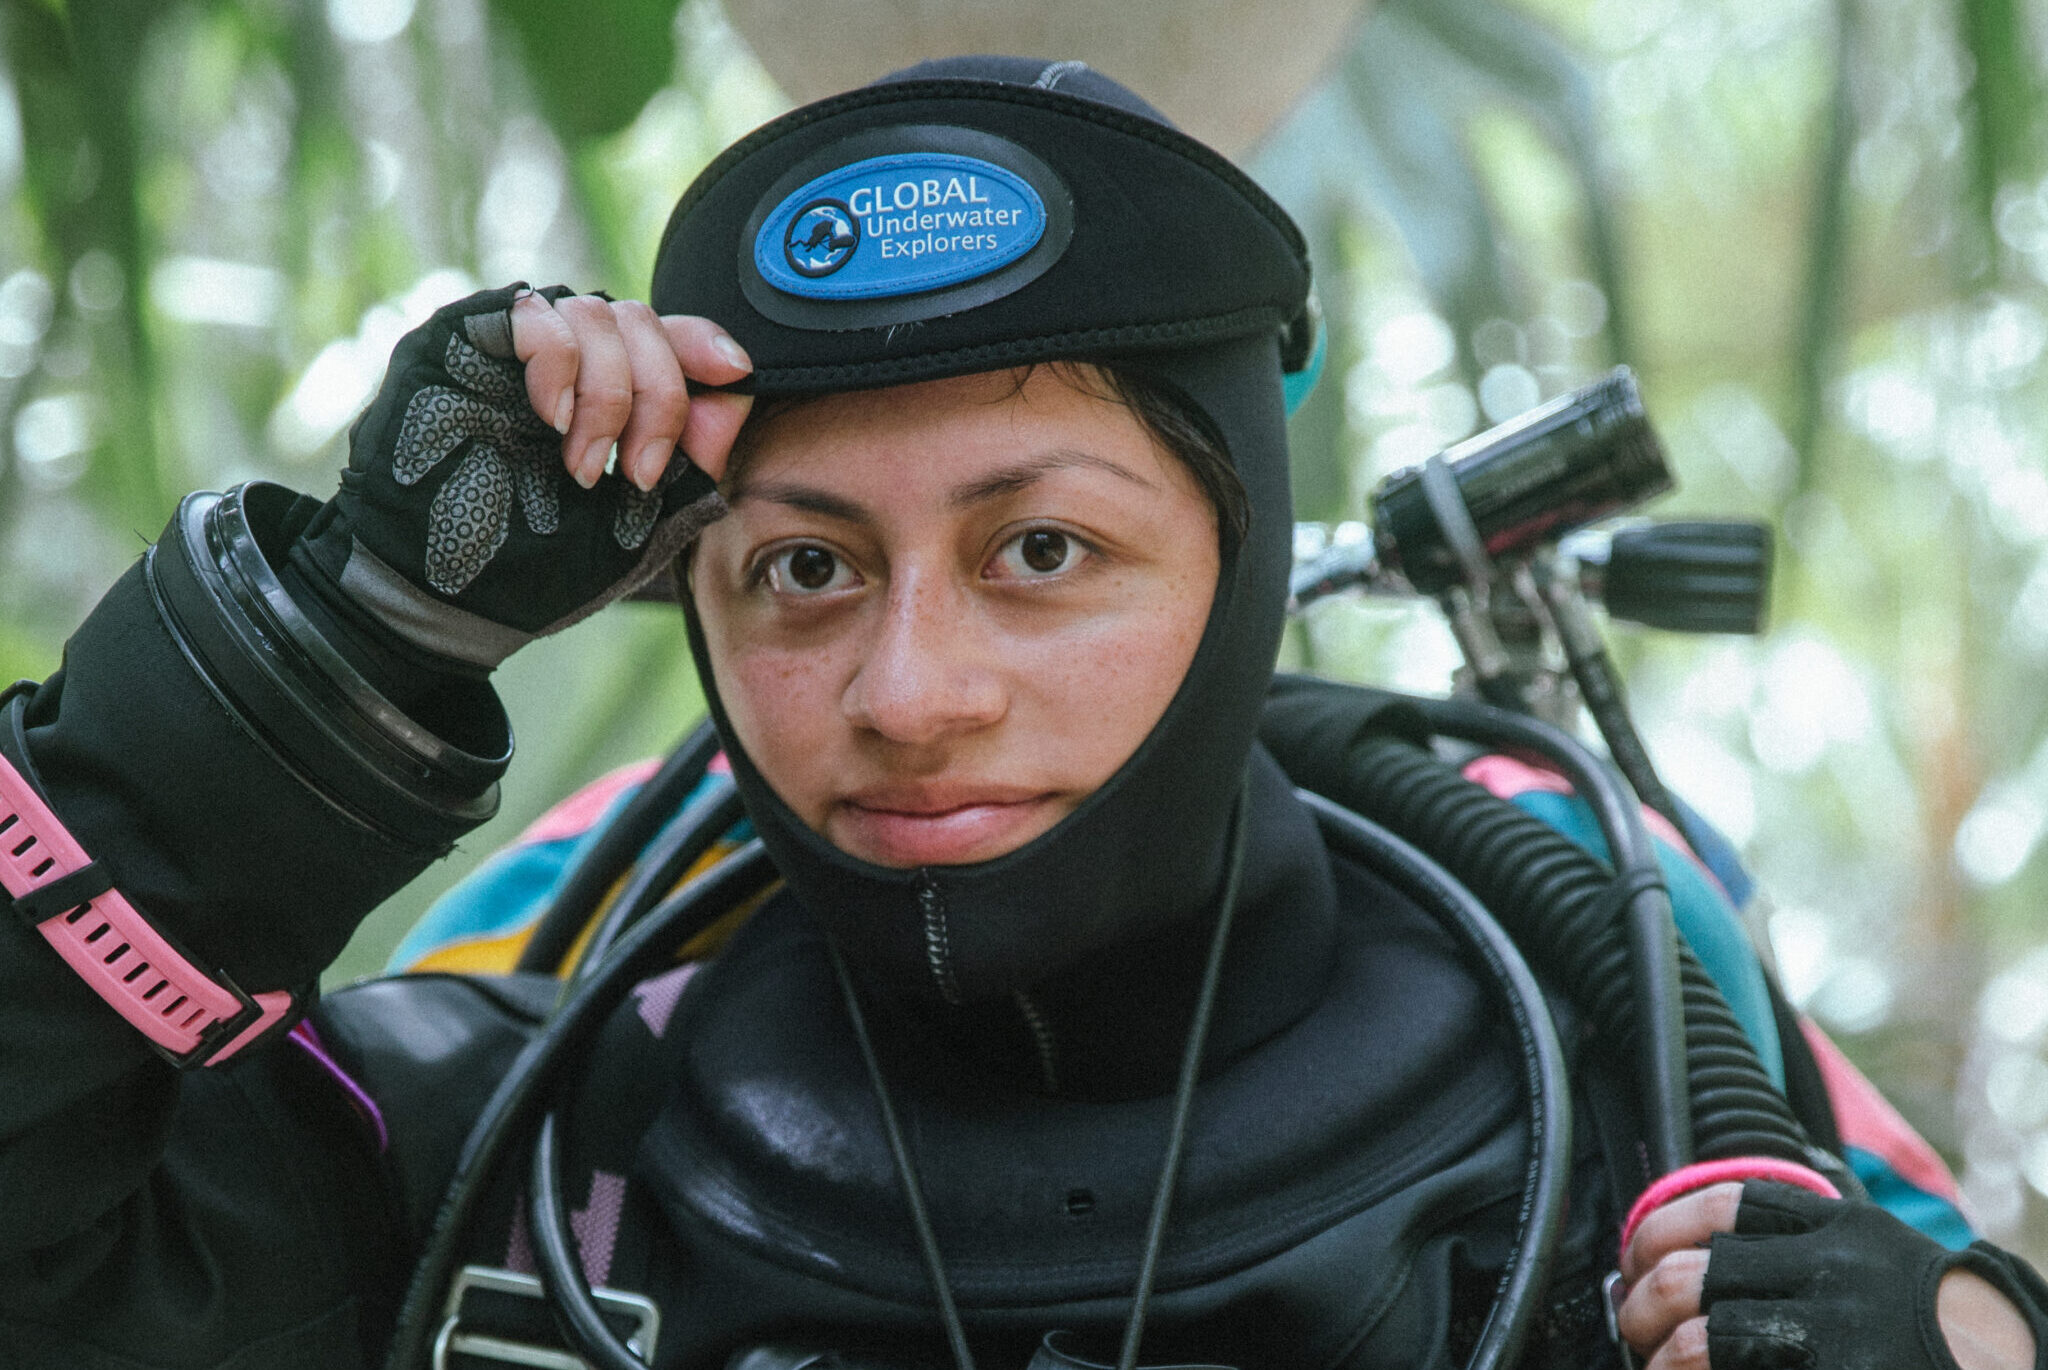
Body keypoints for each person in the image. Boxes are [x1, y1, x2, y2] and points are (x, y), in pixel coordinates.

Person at [0, 55, 2042, 1370]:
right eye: (802, 566)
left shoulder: (1617, 1034)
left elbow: (1958, 1293)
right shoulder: (522, 1115)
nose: (908, 694)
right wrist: (347, 631)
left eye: (1041, 551)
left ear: (1244, 562)